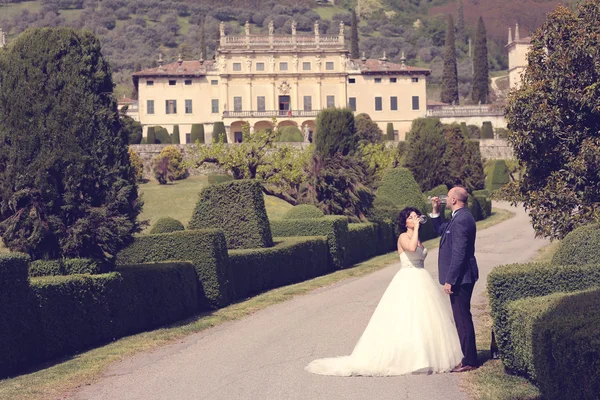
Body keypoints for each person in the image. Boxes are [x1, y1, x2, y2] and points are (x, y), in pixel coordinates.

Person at [305, 207, 463, 377]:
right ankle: (407, 358)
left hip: (421, 277)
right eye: (411, 217)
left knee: (423, 318)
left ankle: (425, 356)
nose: (415, 219)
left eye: (416, 217)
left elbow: (420, 251)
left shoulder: (417, 238)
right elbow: (410, 248)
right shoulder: (403, 237)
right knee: (405, 318)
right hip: (408, 278)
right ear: (405, 222)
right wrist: (416, 229)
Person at [430, 186, 479, 372]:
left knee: (462, 318)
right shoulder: (458, 217)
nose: (444, 198)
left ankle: (469, 361)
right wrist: (436, 210)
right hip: (463, 276)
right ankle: (469, 356)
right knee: (462, 317)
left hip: (462, 277)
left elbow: (459, 253)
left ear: (453, 200)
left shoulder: (461, 220)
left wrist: (451, 279)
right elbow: (440, 230)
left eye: (447, 196)